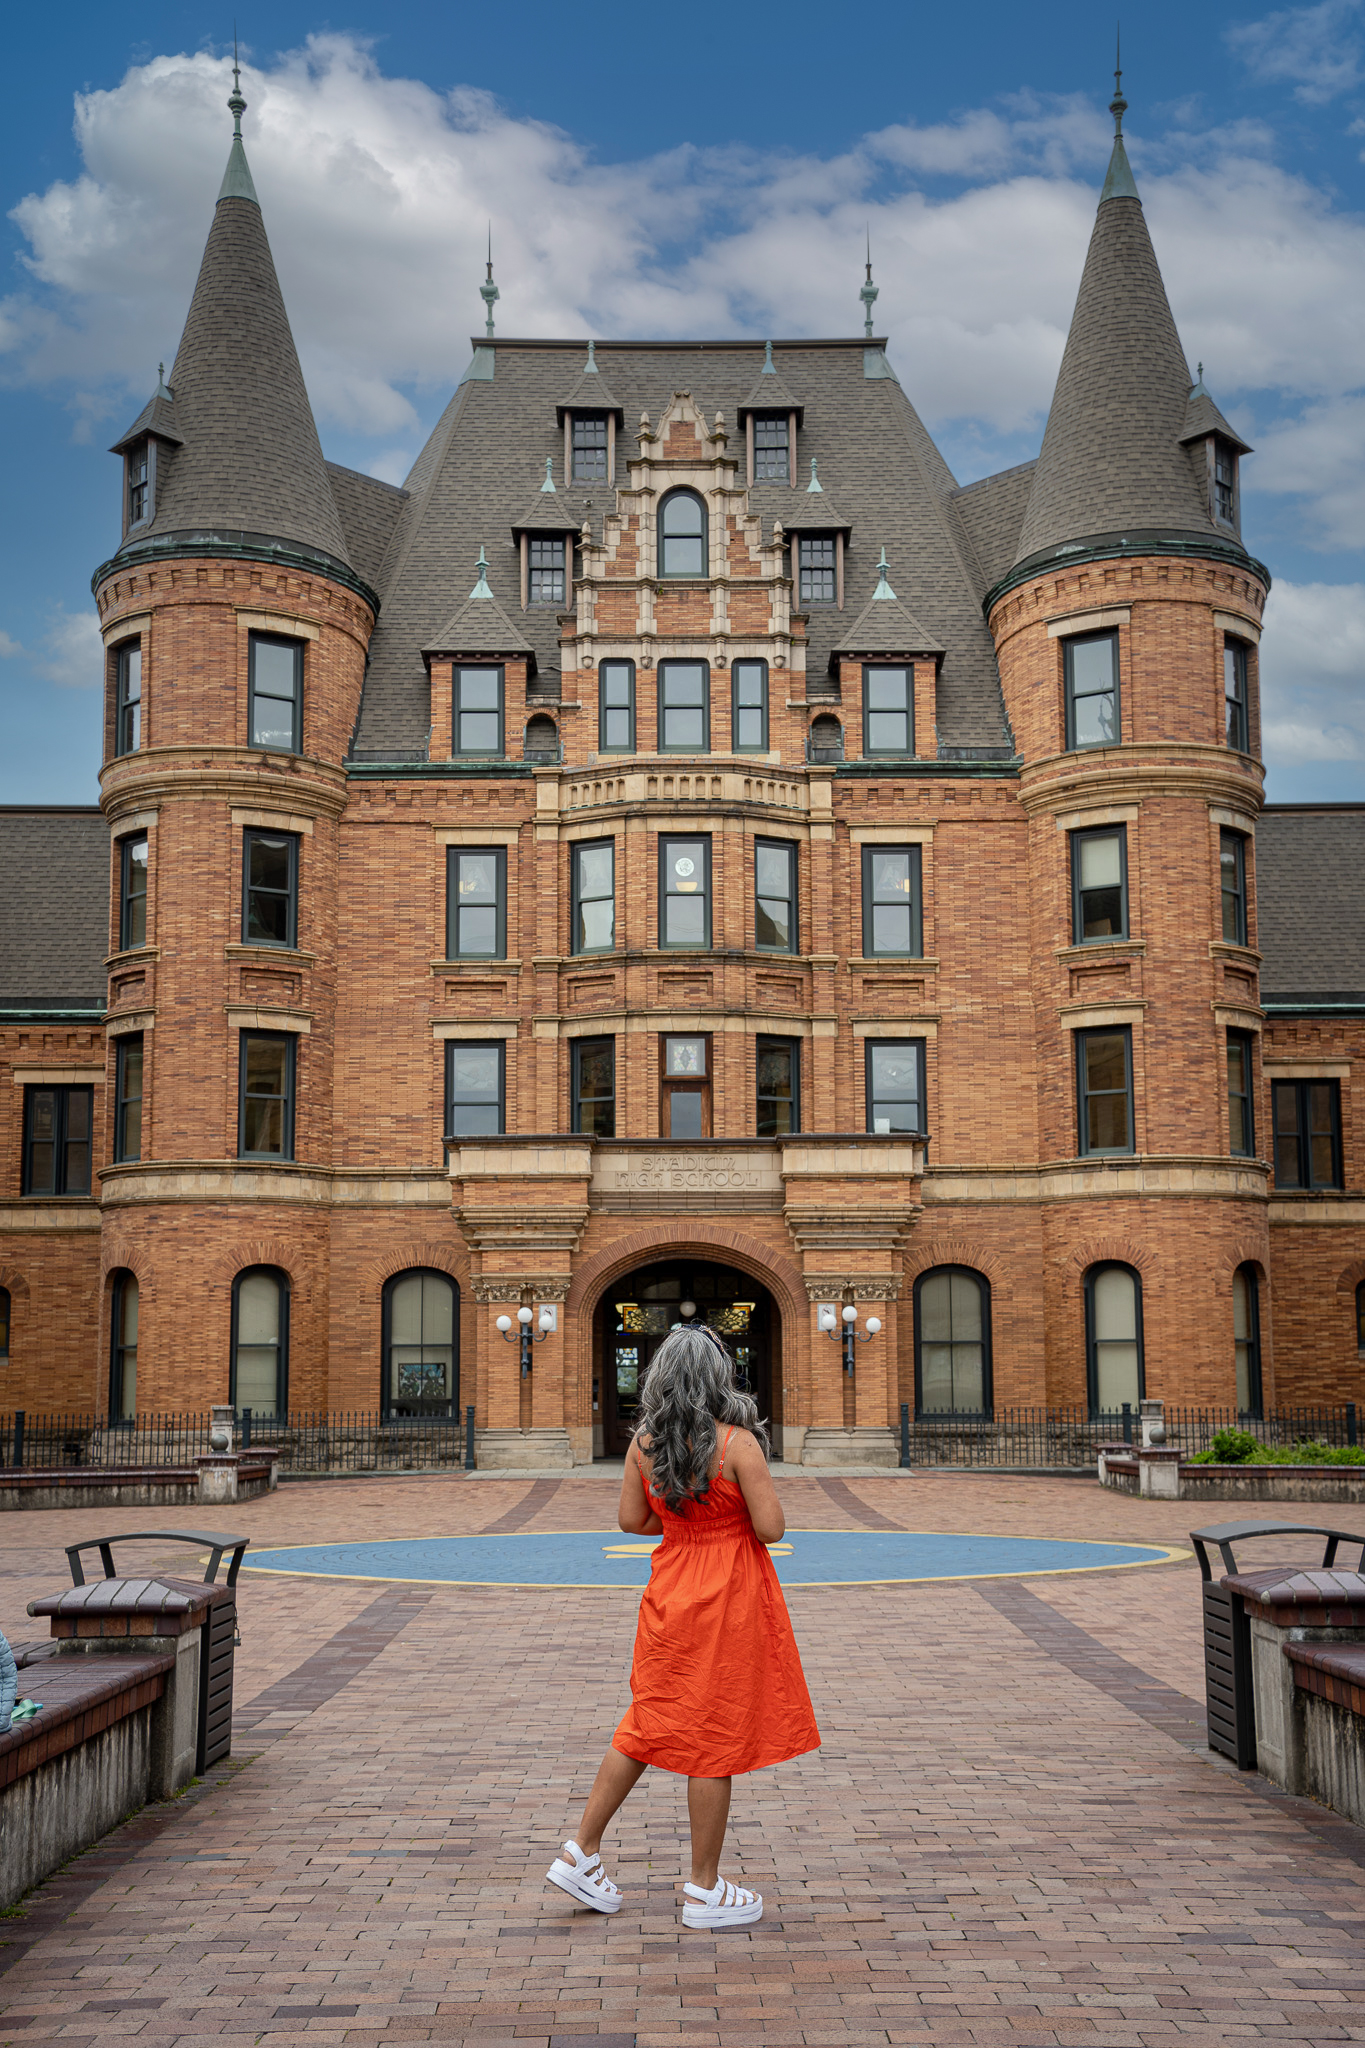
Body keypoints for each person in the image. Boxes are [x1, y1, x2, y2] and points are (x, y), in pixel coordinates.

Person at [546, 1320, 820, 1929]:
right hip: (729, 1595)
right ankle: (703, 1889)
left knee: (649, 1717)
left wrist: (684, 1526)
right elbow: (771, 1528)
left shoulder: (644, 1444)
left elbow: (631, 1521)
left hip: (671, 1590)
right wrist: (723, 1522)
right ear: (717, 1377)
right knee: (714, 1729)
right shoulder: (737, 1444)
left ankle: (581, 1850)